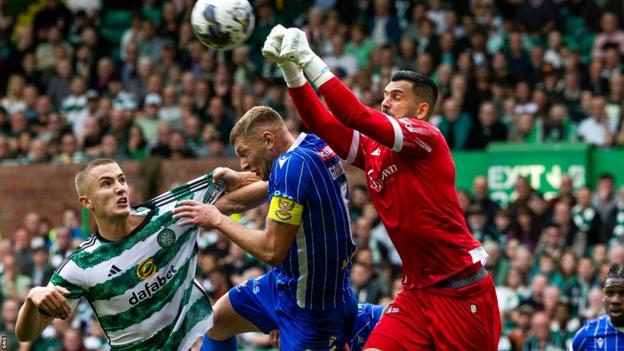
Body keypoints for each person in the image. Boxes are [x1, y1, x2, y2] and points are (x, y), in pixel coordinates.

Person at [262, 25, 500, 350]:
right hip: (416, 294)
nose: (386, 102)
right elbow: (321, 123)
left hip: (462, 293)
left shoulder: (425, 136)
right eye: (385, 95)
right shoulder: (373, 151)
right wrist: (290, 69)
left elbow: (354, 114)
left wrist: (307, 57)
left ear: (421, 110)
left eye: (396, 96)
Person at [172, 105, 357, 350]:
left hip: (312, 311)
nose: (244, 163)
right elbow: (244, 198)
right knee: (216, 321)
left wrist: (216, 219)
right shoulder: (314, 146)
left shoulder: (289, 167)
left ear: (268, 140)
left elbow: (272, 251)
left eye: (244, 153)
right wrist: (240, 178)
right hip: (284, 285)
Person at [15, 158, 228, 350]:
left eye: (121, 180)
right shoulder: (81, 265)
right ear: (86, 202)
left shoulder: (164, 216)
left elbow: (235, 199)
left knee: (229, 311)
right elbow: (26, 334)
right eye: (107, 183)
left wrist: (251, 176)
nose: (120, 189)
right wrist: (32, 298)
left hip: (196, 340)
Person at [571, 263, 624, 349]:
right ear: (603, 296)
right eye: (610, 293)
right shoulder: (587, 334)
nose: (615, 300)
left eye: (622, 293)